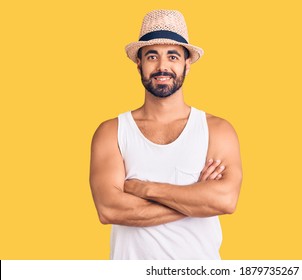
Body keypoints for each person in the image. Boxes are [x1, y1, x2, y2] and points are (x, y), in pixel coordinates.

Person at [89, 10, 242, 260]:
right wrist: (198, 198)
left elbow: (225, 200)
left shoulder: (217, 130)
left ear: (186, 63)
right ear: (139, 63)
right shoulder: (112, 132)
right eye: (152, 56)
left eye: (172, 56)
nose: (162, 67)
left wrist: (145, 188)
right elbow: (109, 209)